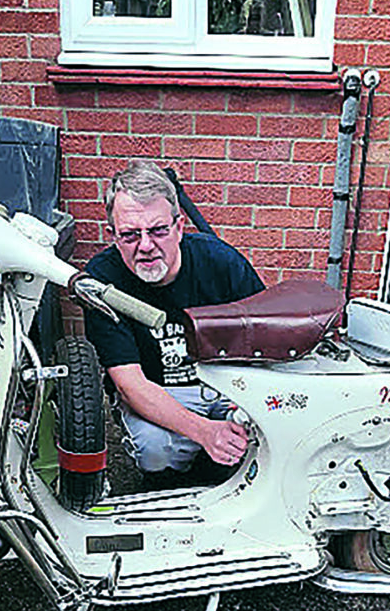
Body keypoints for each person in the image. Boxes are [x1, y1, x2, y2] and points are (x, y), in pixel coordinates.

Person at [84, 160, 265, 477]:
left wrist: (247, 406)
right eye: (129, 235)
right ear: (113, 236)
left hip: (228, 385)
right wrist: (206, 432)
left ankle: (219, 475)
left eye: (157, 230)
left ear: (179, 227)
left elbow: (265, 342)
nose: (146, 246)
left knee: (268, 434)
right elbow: (130, 385)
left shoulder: (220, 261)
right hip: (160, 390)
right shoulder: (102, 280)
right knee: (154, 447)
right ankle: (167, 488)